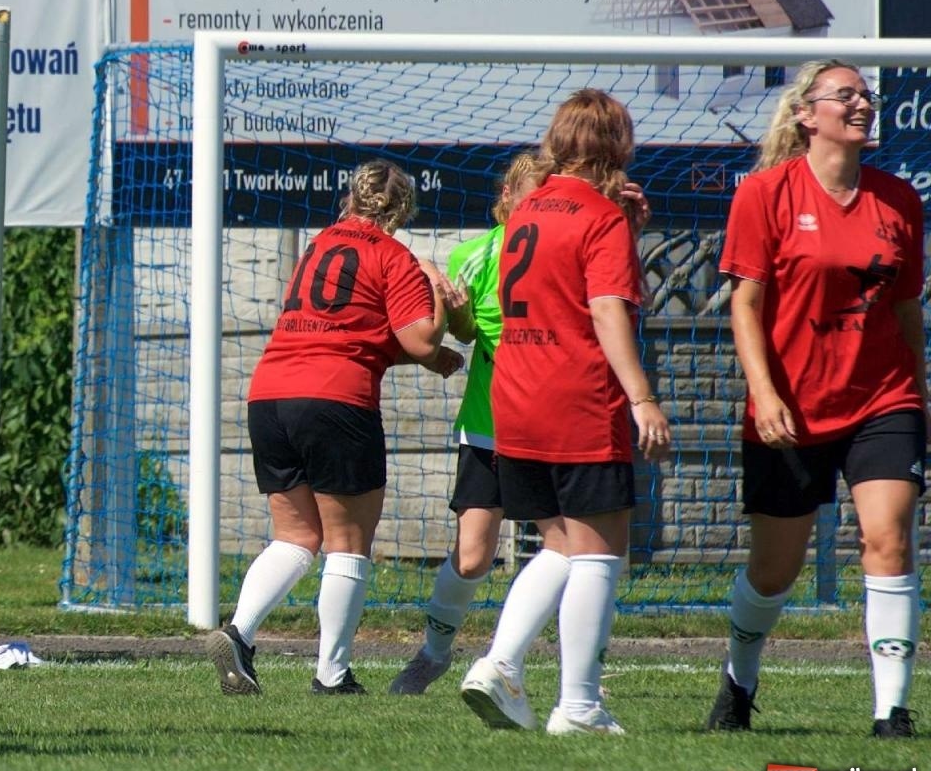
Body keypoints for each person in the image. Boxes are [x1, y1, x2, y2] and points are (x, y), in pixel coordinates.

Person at [708, 61, 924, 739]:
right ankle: (739, 682)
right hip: (790, 407)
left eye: (867, 94)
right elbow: (745, 305)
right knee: (776, 570)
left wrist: (919, 395)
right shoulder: (764, 195)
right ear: (807, 114)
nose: (862, 104)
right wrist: (764, 393)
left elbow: (907, 309)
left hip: (883, 398)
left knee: (888, 538)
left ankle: (891, 712)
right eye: (845, 95)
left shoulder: (900, 199)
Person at [395, 157, 654, 696]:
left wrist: (627, 237)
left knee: (576, 549)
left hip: (552, 419)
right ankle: (435, 654)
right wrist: (452, 311)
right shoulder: (478, 254)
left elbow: (611, 305)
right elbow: (469, 332)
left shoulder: (575, 239)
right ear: (509, 196)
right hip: (491, 421)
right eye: (533, 193)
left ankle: (570, 676)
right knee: (476, 556)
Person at [204, 159, 460, 696]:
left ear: (351, 199)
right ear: (401, 211)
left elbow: (346, 330)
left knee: (296, 536)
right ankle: (332, 674)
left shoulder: (317, 247)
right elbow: (419, 338)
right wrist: (436, 286)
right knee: (348, 543)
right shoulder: (392, 254)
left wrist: (429, 358)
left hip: (271, 395)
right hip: (336, 400)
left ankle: (239, 633)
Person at [460, 88, 670, 736]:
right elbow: (604, 309)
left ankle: (499, 665)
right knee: (600, 552)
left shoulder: (527, 209)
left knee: (558, 542)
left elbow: (558, 288)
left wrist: (628, 234)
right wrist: (641, 397)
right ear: (617, 145)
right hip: (577, 396)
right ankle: (579, 706)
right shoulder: (600, 216)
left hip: (514, 400)